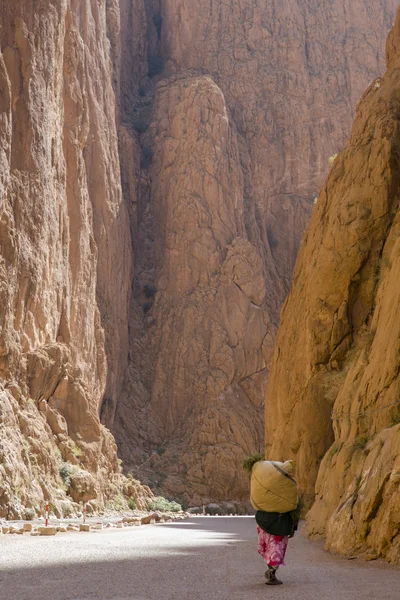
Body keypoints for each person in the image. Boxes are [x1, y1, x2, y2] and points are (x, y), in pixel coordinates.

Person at [243, 454, 300, 586]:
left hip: (263, 519)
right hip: (279, 521)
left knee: (269, 547)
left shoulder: (276, 481)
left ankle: (271, 570)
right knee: (276, 548)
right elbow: (293, 506)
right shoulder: (287, 486)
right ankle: (271, 573)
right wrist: (293, 527)